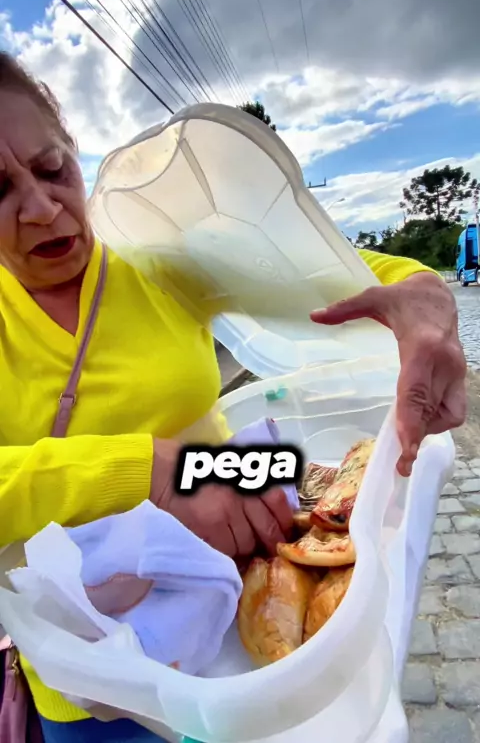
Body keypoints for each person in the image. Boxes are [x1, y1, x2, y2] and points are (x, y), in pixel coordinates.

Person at [0, 52, 466, 742]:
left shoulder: (157, 263)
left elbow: (321, 272)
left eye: (51, 169)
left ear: (74, 150)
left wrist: (420, 293)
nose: (41, 210)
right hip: (92, 679)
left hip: (240, 629)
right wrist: (155, 472)